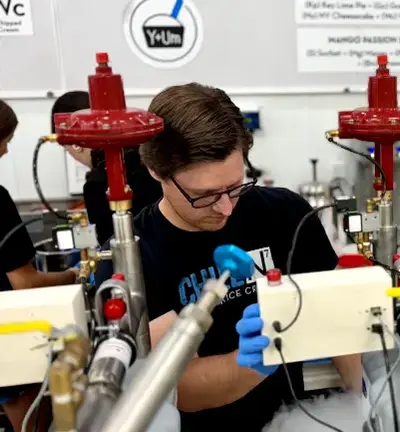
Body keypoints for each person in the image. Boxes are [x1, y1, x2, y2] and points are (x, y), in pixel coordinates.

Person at [94, 83, 360, 431]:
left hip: (292, 421)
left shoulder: (285, 214)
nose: (226, 208)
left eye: (235, 187)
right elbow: (179, 388)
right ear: (156, 172)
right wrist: (250, 363)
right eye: (204, 195)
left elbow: (340, 326)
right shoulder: (132, 259)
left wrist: (364, 406)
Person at [0, 99, 77, 431]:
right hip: (6, 340)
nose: (5, 151)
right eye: (5, 141)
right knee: (34, 423)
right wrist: (73, 276)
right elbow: (25, 283)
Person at [52, 90, 164, 245]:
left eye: (66, 148)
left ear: (75, 143)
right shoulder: (145, 157)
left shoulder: (97, 185)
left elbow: (109, 246)